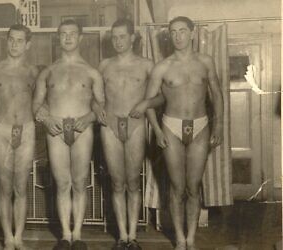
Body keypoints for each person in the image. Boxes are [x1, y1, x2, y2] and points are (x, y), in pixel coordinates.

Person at [132, 16, 223, 250]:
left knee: (194, 186)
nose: (178, 36)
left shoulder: (205, 62)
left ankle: (191, 239)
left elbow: (217, 94)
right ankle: (179, 240)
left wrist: (219, 125)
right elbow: (149, 101)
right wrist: (158, 130)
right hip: (171, 126)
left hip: (201, 125)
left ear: (192, 33)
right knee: (176, 187)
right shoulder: (162, 67)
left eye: (182, 31)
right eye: (173, 32)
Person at [32, 19, 105, 250]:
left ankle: (78, 235)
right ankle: (65, 236)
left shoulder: (92, 72)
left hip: (82, 131)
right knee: (62, 183)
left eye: (72, 34)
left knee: (80, 183)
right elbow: (36, 106)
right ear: (58, 37)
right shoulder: (49, 71)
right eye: (63, 34)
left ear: (80, 37)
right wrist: (46, 117)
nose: (68, 38)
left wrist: (89, 117)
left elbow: (102, 108)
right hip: (56, 130)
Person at [94, 18, 164, 250]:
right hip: (110, 126)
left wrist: (145, 104)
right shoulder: (104, 65)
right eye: (114, 37)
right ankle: (121, 236)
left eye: (123, 36)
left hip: (135, 125)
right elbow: (94, 97)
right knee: (116, 183)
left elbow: (161, 97)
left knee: (133, 182)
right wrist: (97, 109)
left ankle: (133, 236)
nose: (118, 41)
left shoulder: (146, 65)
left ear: (133, 37)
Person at [0, 24, 38, 250]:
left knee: (21, 187)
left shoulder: (33, 72)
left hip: (27, 129)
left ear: (28, 44)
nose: (14, 44)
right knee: (4, 186)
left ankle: (19, 237)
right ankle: (7, 238)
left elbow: (41, 104)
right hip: (1, 129)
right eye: (11, 40)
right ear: (6, 41)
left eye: (19, 40)